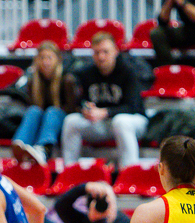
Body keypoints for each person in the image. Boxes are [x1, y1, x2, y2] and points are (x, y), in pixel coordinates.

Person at [60, 33, 147, 168]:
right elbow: (80, 101)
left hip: (133, 122)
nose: (101, 57)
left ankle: (129, 172)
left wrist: (105, 112)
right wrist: (85, 108)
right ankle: (70, 171)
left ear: (115, 51)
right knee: (71, 121)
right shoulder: (86, 73)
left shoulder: (129, 72)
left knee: (121, 121)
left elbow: (133, 107)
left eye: (105, 52)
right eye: (97, 52)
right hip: (102, 123)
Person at [11, 41, 76, 159]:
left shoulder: (67, 79)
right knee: (33, 110)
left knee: (52, 111)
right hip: (41, 121)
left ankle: (43, 149)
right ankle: (20, 144)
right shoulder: (32, 81)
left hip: (60, 123)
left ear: (58, 60)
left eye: (49, 58)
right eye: (42, 58)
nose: (45, 62)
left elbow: (71, 108)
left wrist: (49, 113)